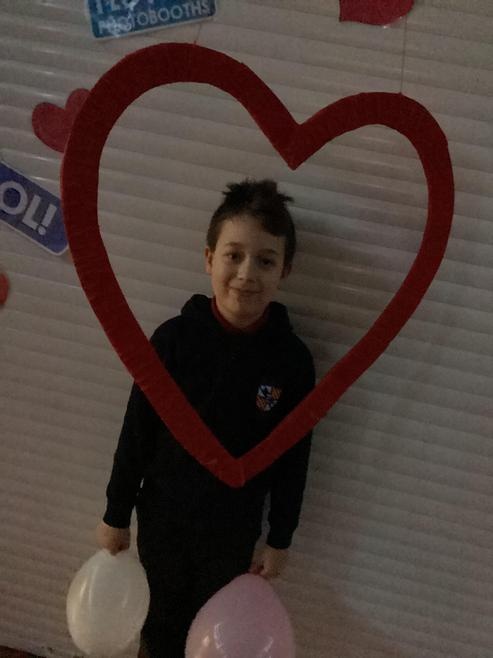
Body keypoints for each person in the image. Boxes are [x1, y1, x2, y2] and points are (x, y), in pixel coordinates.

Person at [95, 179, 316, 658]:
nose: (246, 274)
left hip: (233, 530)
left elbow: (294, 458)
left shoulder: (292, 362)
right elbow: (136, 433)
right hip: (163, 519)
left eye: (265, 261)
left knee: (216, 632)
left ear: (285, 270)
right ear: (209, 259)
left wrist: (280, 538)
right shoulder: (172, 342)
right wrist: (116, 512)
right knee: (160, 624)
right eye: (233, 255)